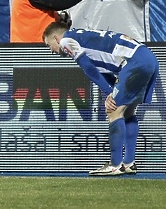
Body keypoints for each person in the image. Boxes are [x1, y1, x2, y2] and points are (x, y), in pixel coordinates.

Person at [42, 22, 159, 175]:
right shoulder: (83, 37)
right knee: (128, 112)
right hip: (148, 58)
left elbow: (88, 67)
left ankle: (115, 165)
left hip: (135, 62)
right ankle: (129, 163)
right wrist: (112, 90)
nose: (51, 51)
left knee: (113, 111)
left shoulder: (66, 41)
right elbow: (103, 71)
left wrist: (109, 92)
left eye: (48, 45)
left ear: (56, 38)